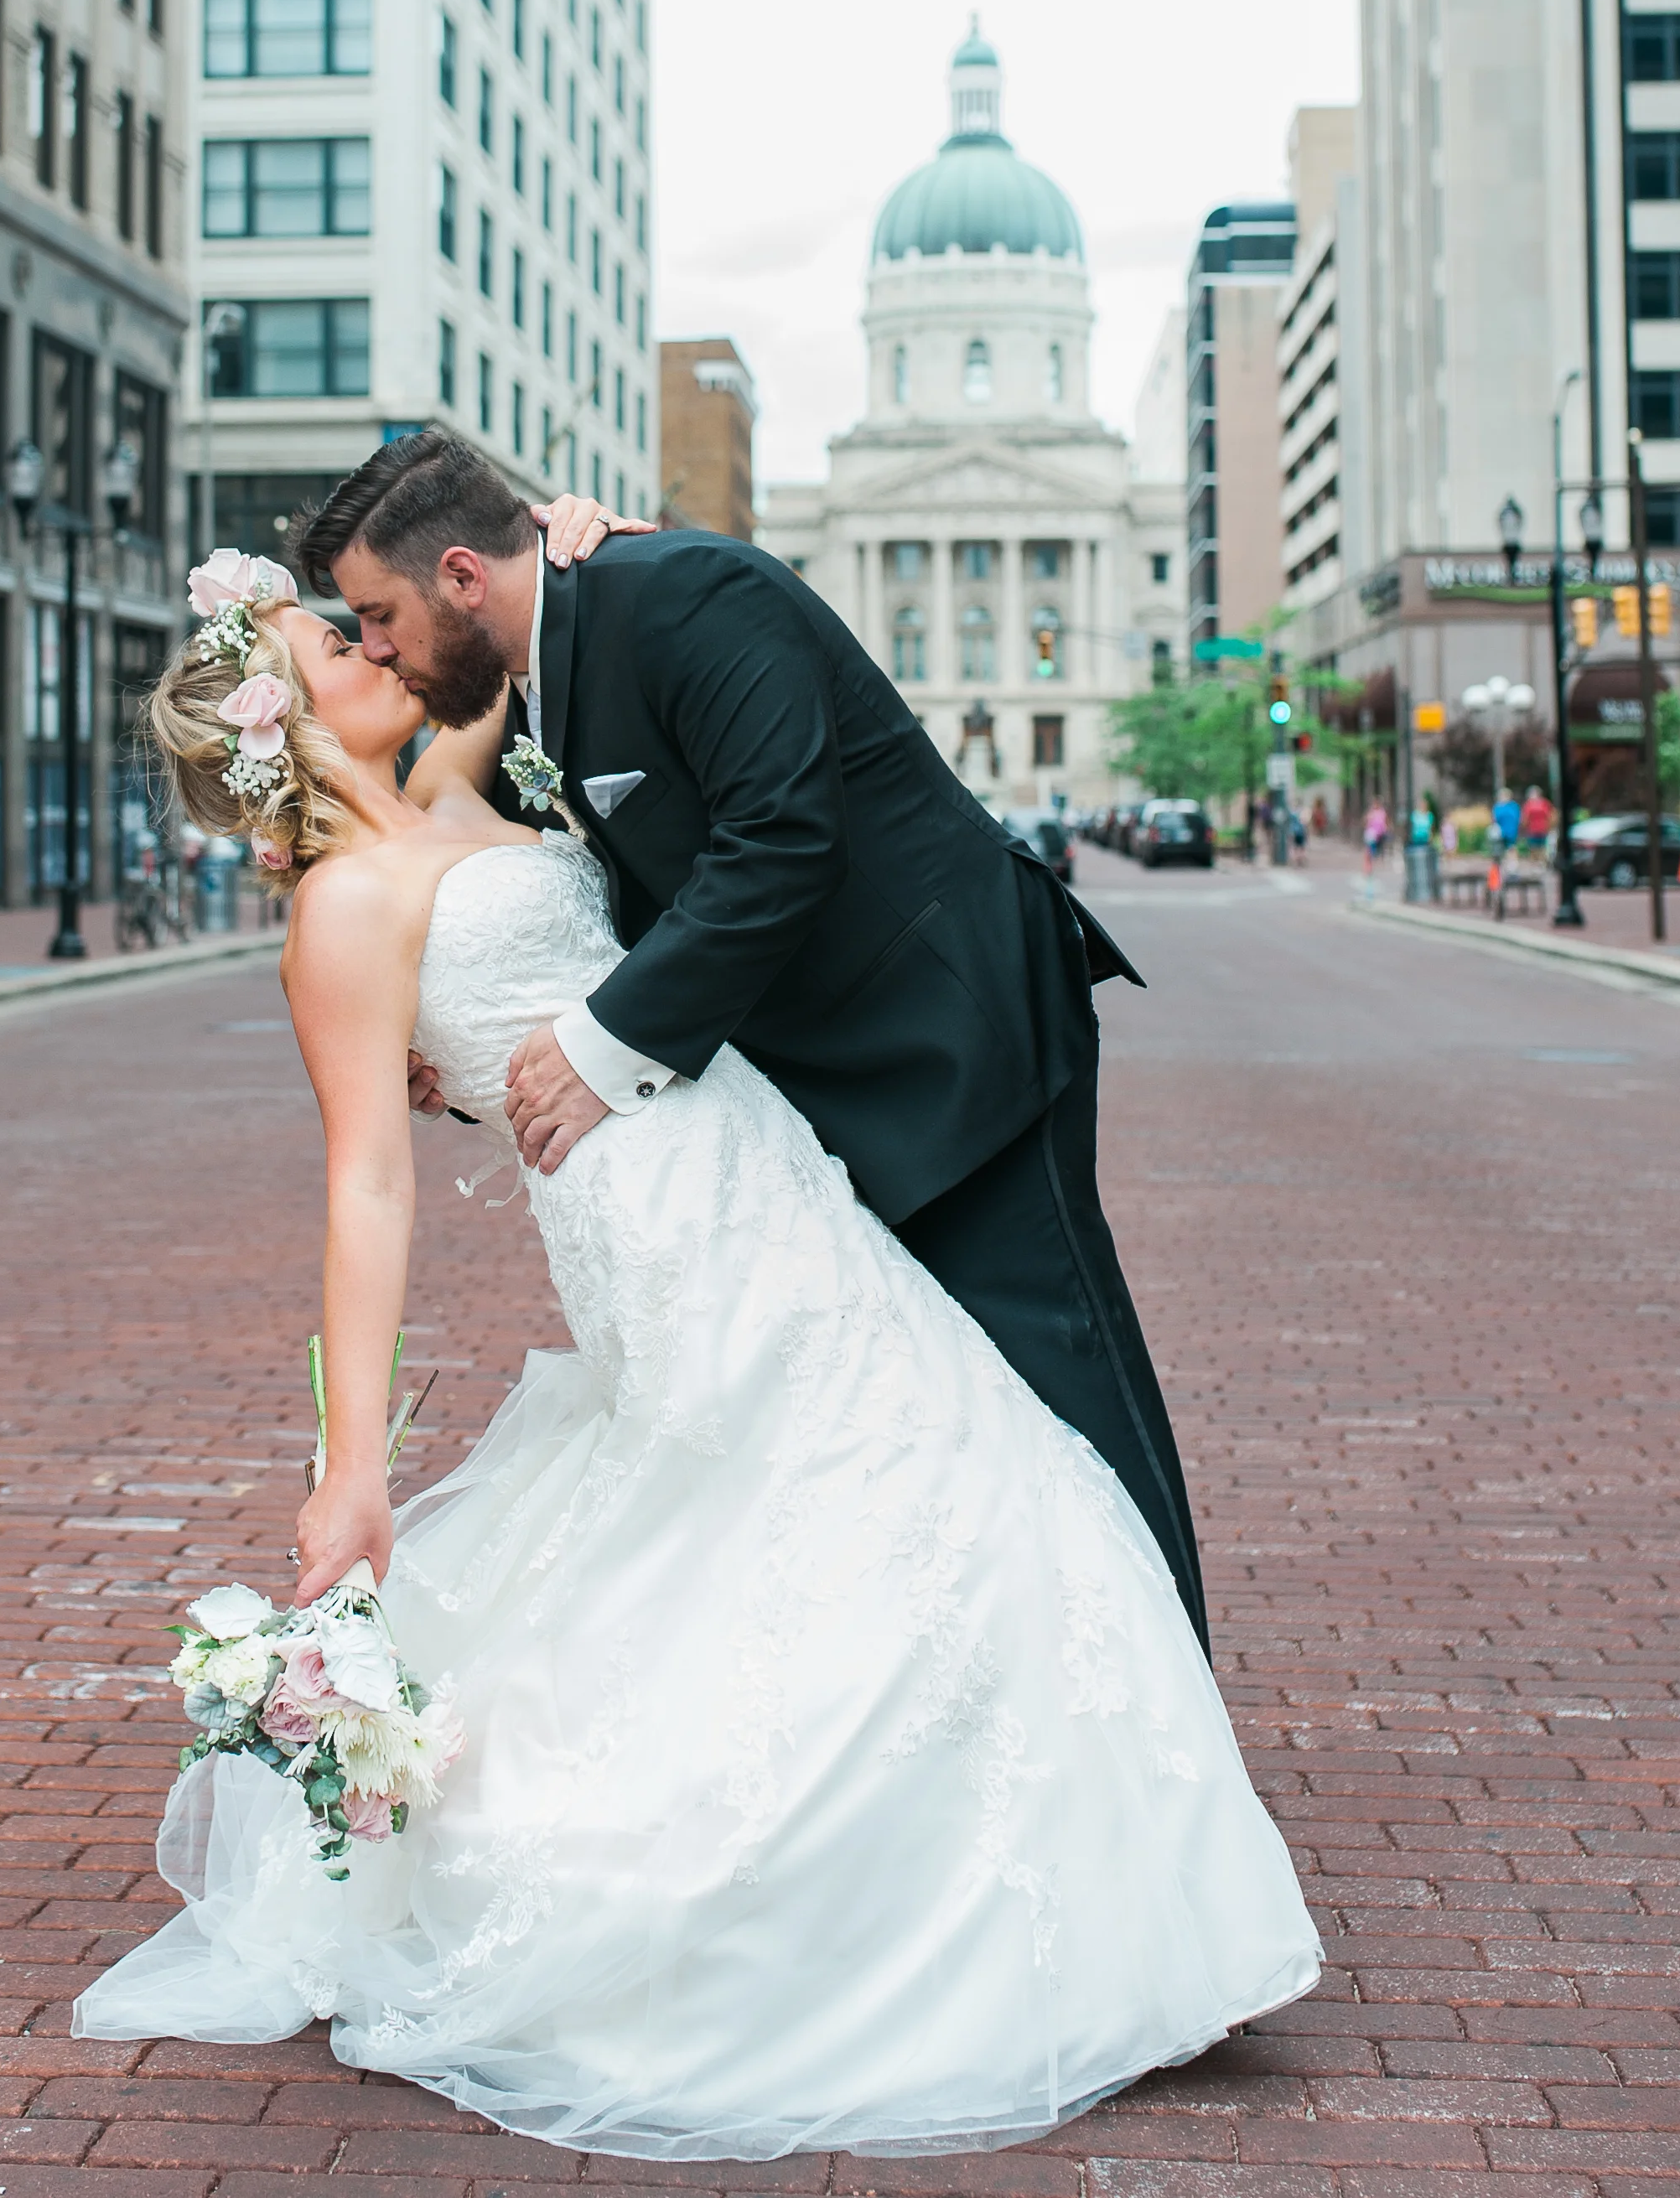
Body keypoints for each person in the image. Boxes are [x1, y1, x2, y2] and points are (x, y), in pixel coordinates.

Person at [71, 514, 1321, 2156]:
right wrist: (350, 1465)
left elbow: (516, 623)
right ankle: (833, 1891)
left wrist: (576, 537)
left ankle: (1057, 1858)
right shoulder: (343, 911)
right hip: (651, 1224)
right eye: (336, 643)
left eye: (365, 620)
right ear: (288, 728)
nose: (374, 643)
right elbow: (367, 1187)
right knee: (846, 1481)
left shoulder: (460, 777)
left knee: (945, 1464)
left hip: (759, 1151)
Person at [302, 432, 1205, 1646]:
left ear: (461, 575)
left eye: (377, 615)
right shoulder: (529, 684)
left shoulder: (686, 595)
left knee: (1060, 1386)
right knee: (935, 1430)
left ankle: (1163, 1690)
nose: (374, 645)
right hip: (795, 1106)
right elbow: (570, 923)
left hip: (949, 1041)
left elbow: (782, 842)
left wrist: (596, 1049)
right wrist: (464, 1052)